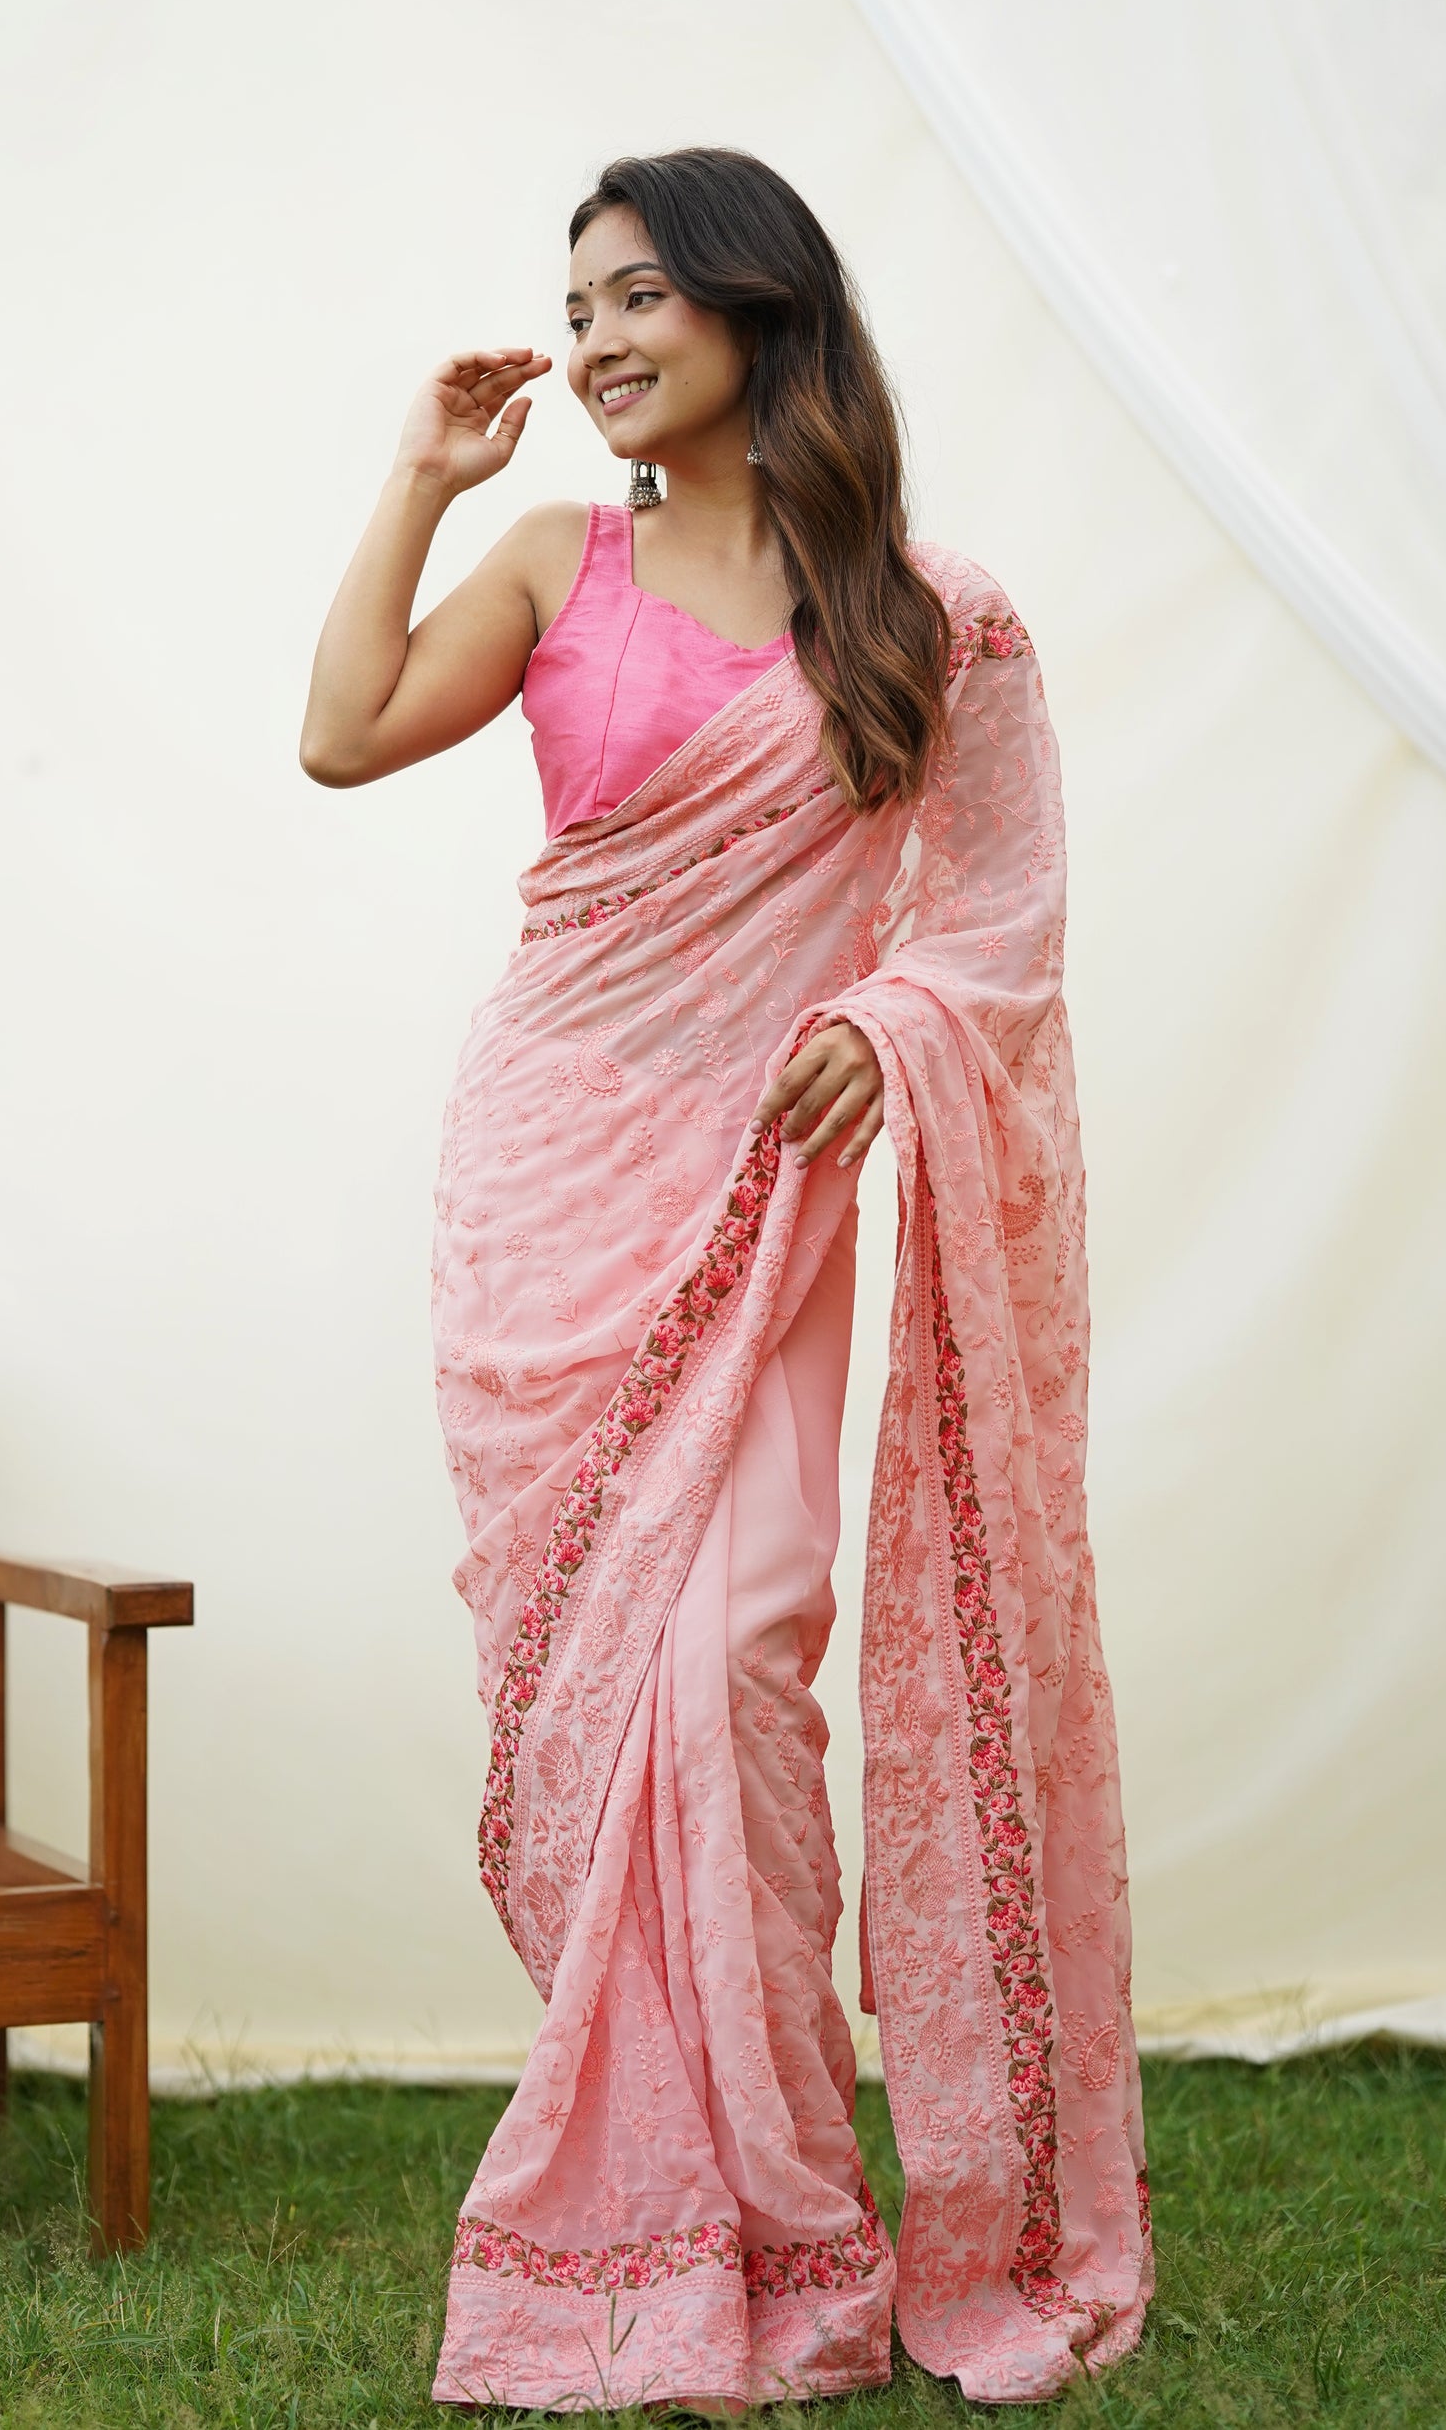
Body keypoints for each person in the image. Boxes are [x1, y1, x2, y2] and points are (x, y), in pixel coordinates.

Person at [300, 148, 1150, 2411]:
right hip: (553, 1184)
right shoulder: (548, 560)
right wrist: (421, 476)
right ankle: (692, 2226)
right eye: (575, 303)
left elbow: (1004, 913)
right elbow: (342, 733)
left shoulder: (928, 614)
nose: (592, 340)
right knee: (619, 1680)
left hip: (765, 1197)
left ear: (759, 306)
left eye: (636, 296)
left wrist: (895, 1017)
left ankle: (779, 2215)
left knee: (737, 1651)